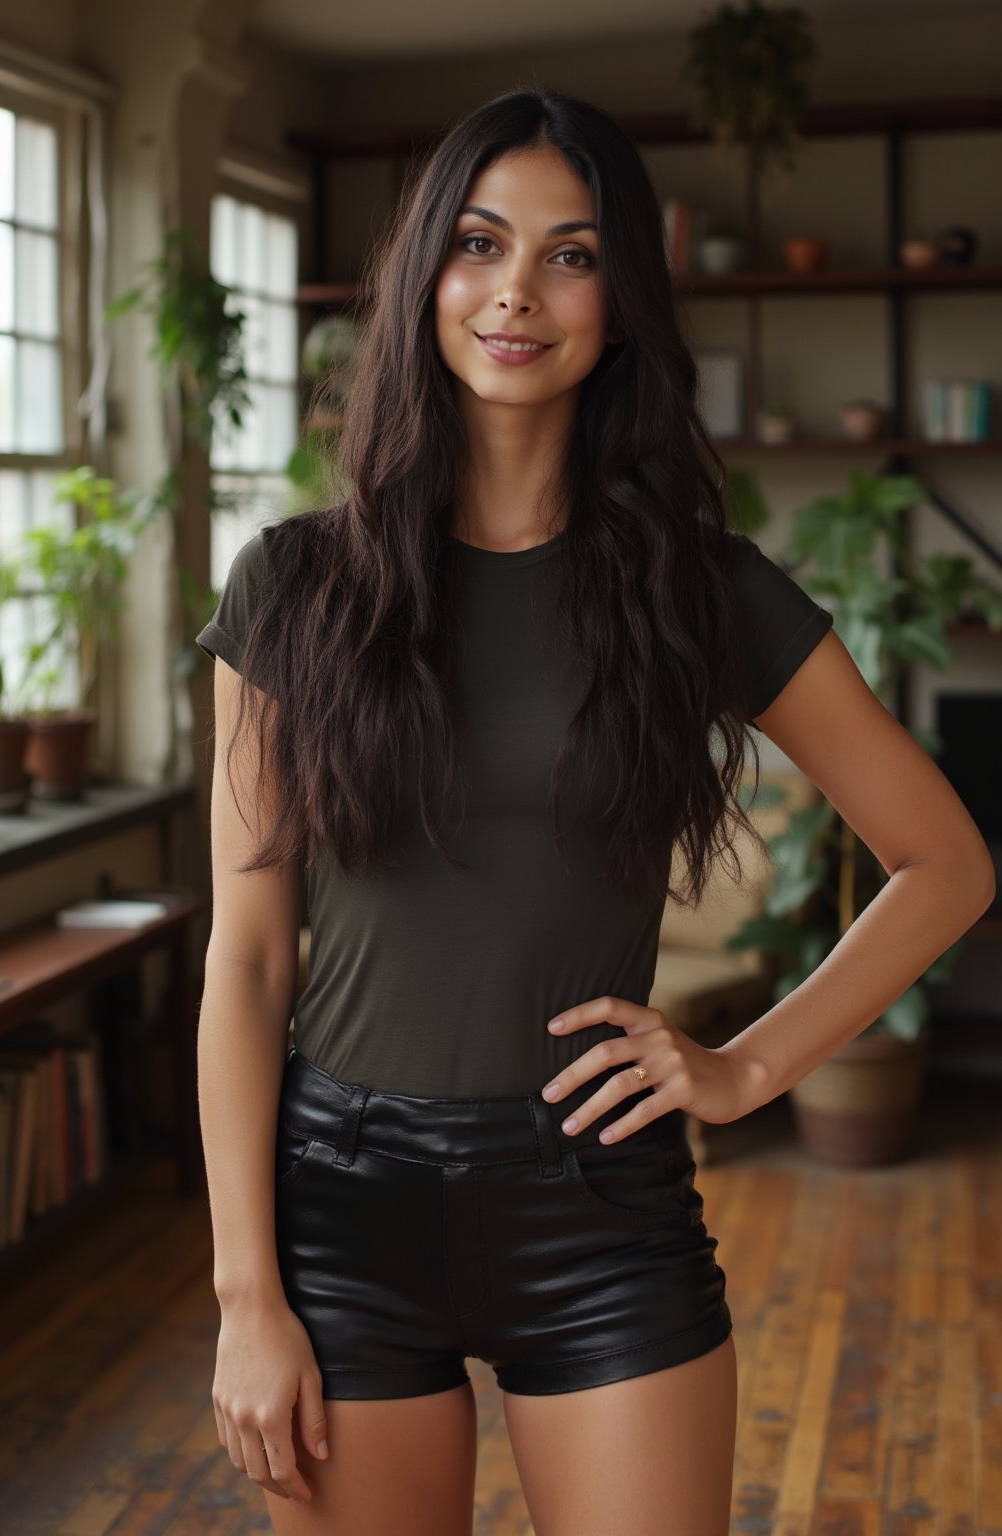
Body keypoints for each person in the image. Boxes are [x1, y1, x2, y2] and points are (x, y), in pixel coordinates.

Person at [194, 87, 996, 1536]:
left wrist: (747, 1070)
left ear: (621, 300)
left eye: (571, 254)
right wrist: (248, 1295)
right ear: (426, 275)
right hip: (341, 1212)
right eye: (481, 242)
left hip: (598, 1204)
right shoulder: (291, 589)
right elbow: (247, 964)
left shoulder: (703, 589)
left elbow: (947, 862)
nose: (517, 290)